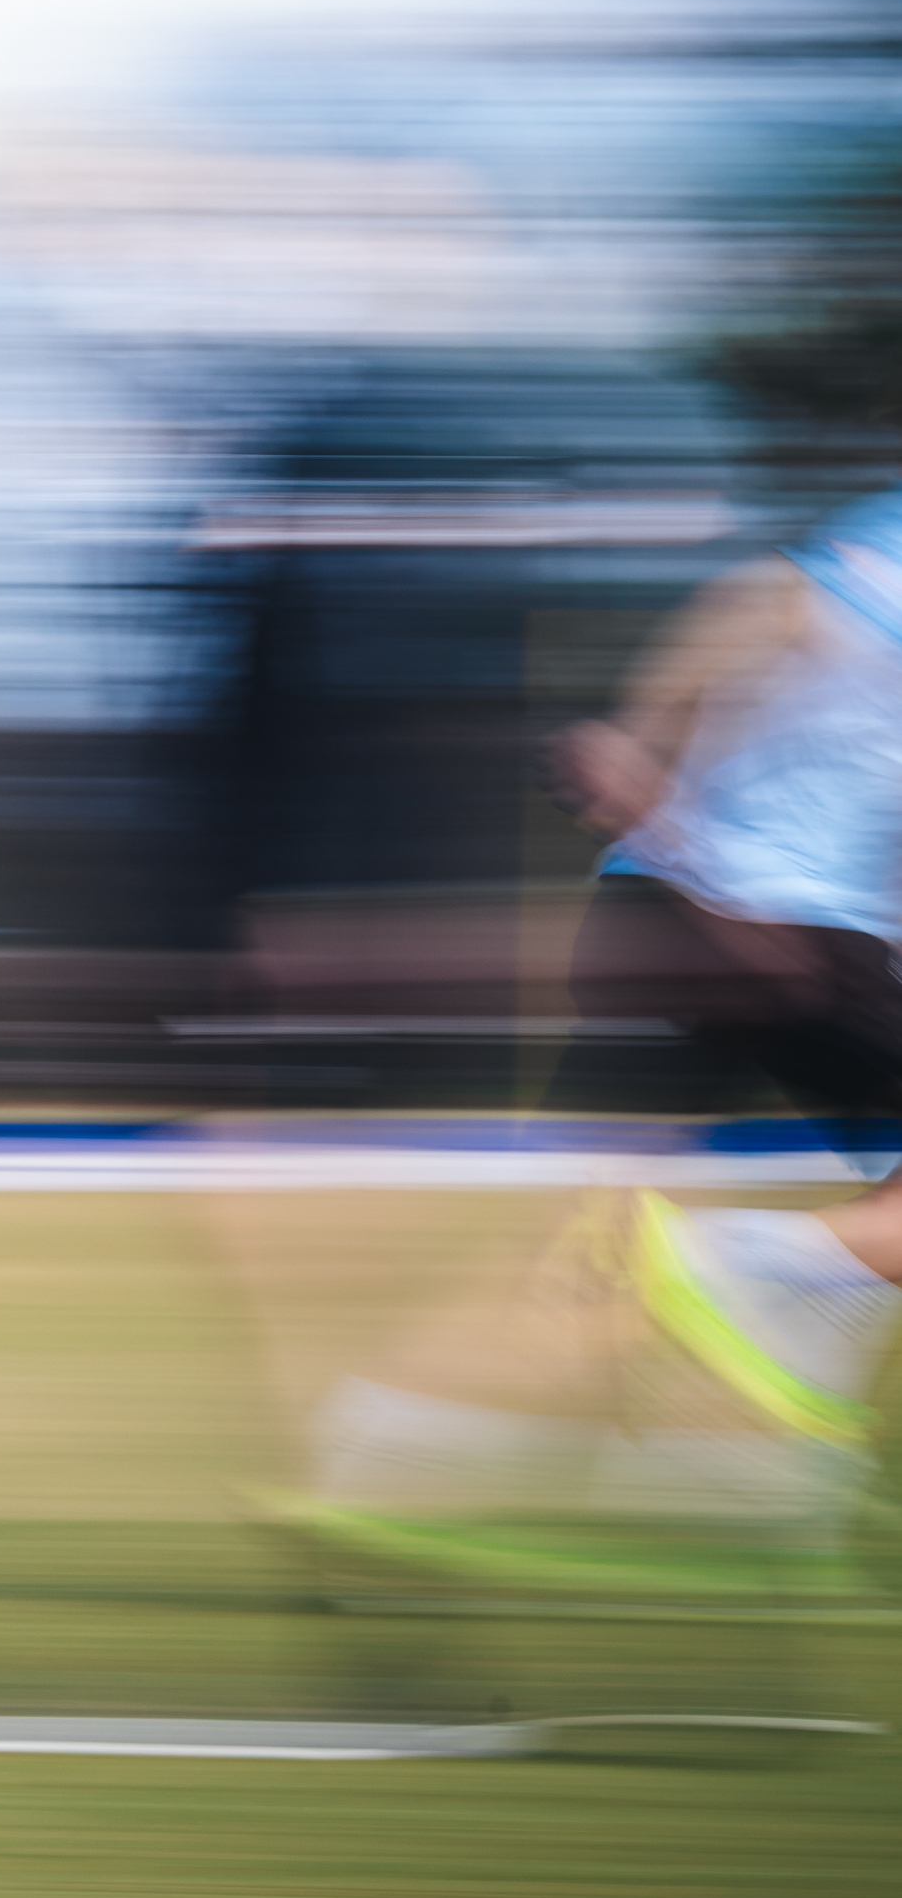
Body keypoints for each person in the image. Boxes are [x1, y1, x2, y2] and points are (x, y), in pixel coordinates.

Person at [272, 486, 902, 1595]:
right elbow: (767, 605)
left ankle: (373, 1469)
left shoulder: (858, 556)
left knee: (585, 1231)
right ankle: (752, 1287)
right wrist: (648, 762)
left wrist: (644, 771)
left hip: (664, 921)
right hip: (777, 937)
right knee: (706, 1256)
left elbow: (762, 613)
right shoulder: (870, 558)